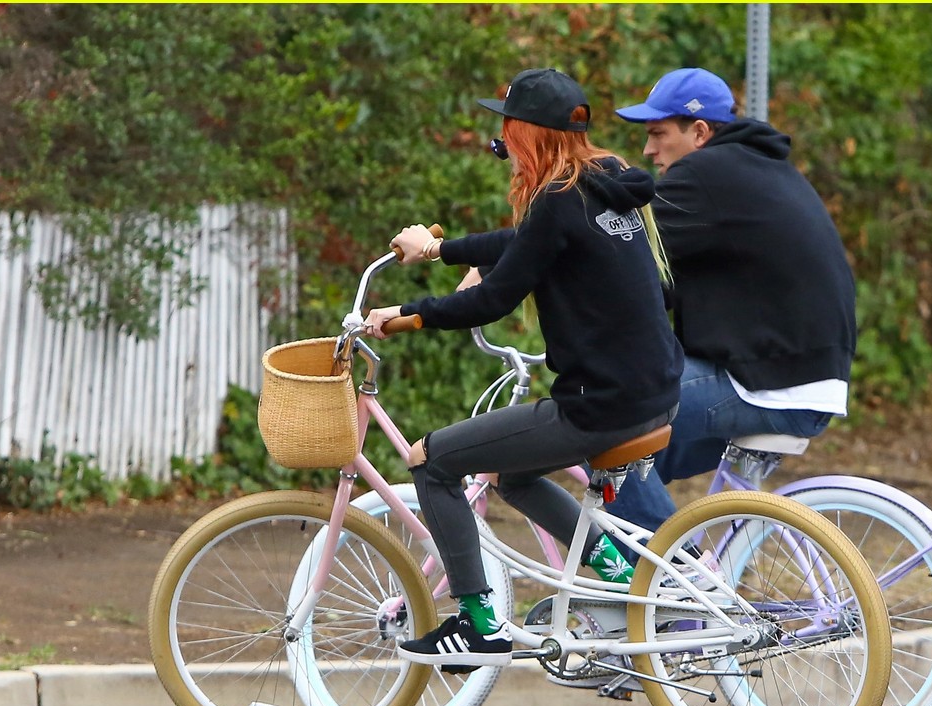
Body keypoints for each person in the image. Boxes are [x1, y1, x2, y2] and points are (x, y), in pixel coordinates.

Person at [364, 68, 683, 667]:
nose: (500, 142)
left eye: (505, 130)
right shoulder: (606, 178)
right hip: (657, 390)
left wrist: (407, 314)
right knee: (514, 474)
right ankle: (618, 573)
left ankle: (479, 623)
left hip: (598, 405)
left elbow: (492, 299)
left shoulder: (557, 201)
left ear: (525, 133)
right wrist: (438, 250)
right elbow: (525, 244)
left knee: (431, 461)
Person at [606, 67, 857, 555]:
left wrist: (501, 269)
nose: (648, 151)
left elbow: (615, 245)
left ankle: (674, 589)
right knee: (634, 464)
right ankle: (653, 599)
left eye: (658, 134)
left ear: (699, 132)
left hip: (770, 381)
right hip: (800, 373)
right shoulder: (752, 170)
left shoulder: (703, 175)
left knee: (611, 428)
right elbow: (655, 281)